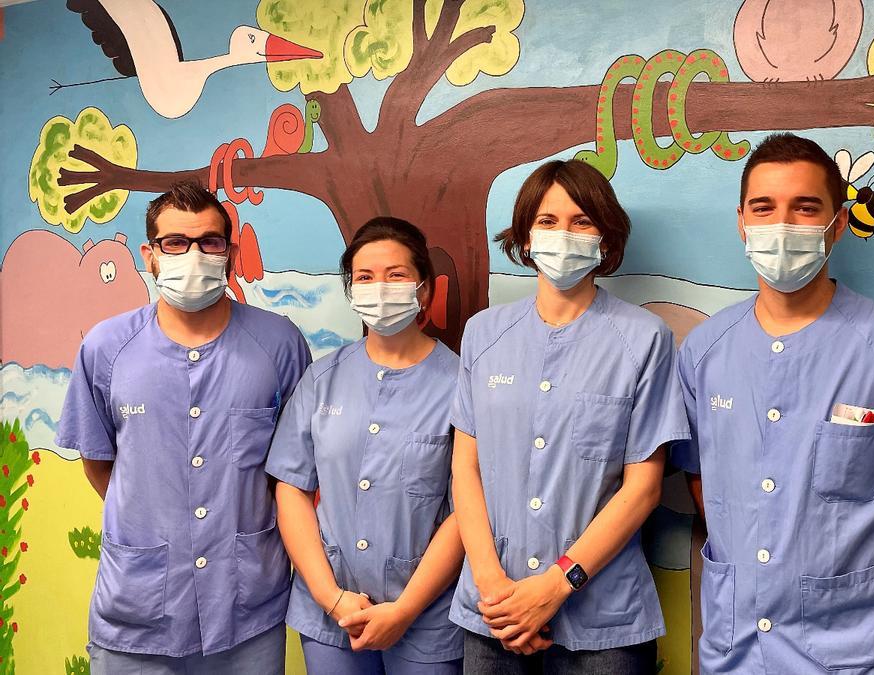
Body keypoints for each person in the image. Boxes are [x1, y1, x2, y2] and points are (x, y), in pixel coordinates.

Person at [672, 134, 874, 674]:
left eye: (805, 207)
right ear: (742, 223)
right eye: (764, 208)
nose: (782, 225)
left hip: (859, 659)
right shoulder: (704, 351)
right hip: (734, 651)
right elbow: (705, 481)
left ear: (837, 225)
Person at [56, 181, 312, 674]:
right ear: (149, 255)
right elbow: (99, 462)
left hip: (246, 611)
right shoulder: (106, 348)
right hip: (138, 613)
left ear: (230, 253)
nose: (193, 255)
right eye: (175, 243)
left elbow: (295, 472)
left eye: (209, 242)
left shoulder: (278, 344)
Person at [449, 159, 689, 673]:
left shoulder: (645, 339)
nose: (564, 234)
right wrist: (493, 587)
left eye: (582, 221)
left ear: (605, 237)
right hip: (493, 612)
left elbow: (642, 488)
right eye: (547, 221)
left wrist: (557, 585)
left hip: (602, 619)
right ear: (526, 236)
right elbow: (465, 468)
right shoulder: (483, 334)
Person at [266, 217, 465, 674]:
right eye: (365, 277)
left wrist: (406, 608)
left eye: (396, 275)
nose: (380, 288)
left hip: (426, 616)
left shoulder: (459, 385)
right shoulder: (321, 379)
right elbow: (292, 489)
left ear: (425, 291)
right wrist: (330, 597)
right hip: (331, 612)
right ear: (351, 291)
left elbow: (465, 509)